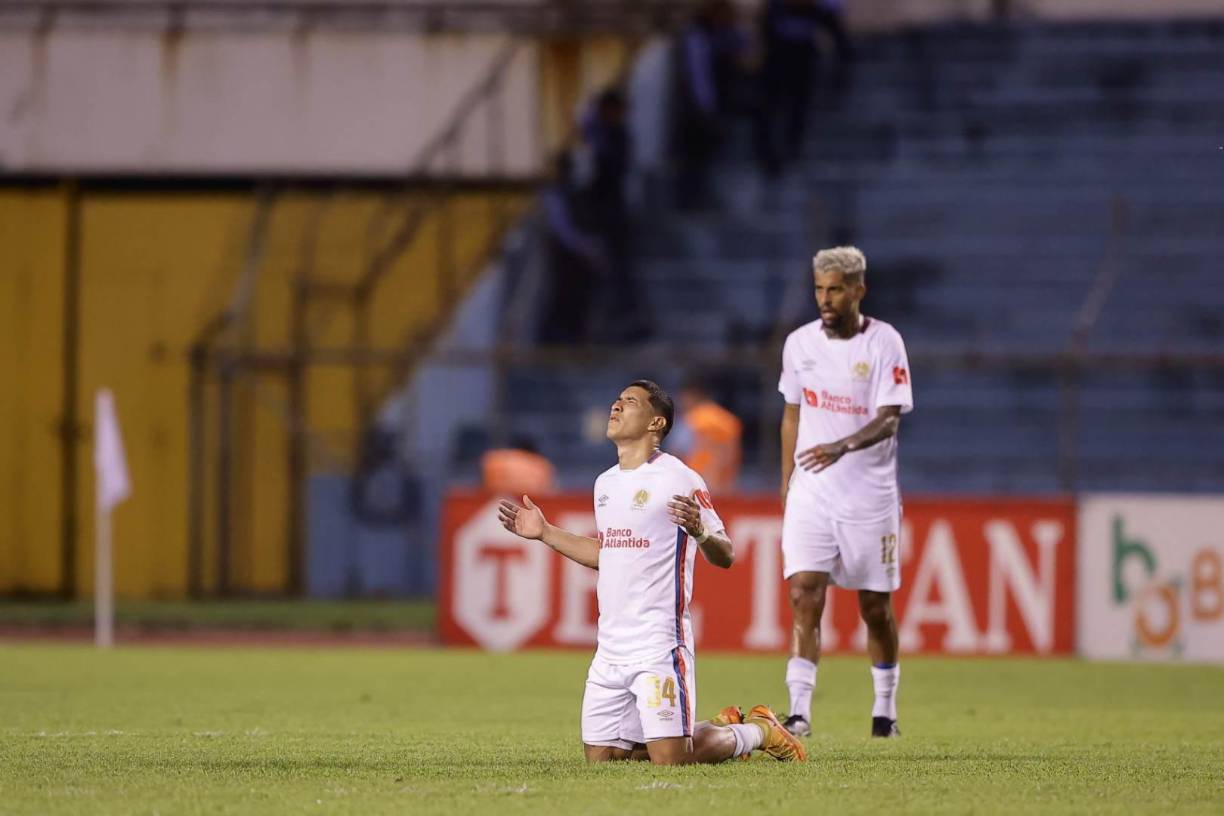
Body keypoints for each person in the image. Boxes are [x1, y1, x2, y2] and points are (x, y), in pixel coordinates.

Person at [498, 380, 805, 764]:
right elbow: (607, 555)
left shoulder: (679, 478)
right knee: (604, 759)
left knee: (673, 759)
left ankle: (756, 730)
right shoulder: (605, 484)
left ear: (656, 422)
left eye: (629, 401)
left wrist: (699, 530)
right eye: (616, 400)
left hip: (658, 643)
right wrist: (545, 532)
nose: (616, 406)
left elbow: (725, 553)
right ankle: (703, 728)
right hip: (610, 646)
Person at [776, 246, 914, 739]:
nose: (825, 298)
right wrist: (787, 482)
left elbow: (890, 416)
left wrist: (842, 445)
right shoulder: (798, 345)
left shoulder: (884, 343)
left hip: (869, 496)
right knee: (802, 593)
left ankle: (884, 711)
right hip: (813, 492)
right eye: (818, 288)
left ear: (858, 289)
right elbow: (792, 413)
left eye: (834, 289)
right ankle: (798, 711)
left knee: (874, 608)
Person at [672, 377, 743, 494]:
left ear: (691, 395)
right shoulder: (728, 421)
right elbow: (733, 453)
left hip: (696, 484)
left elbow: (677, 453)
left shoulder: (691, 421)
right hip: (724, 485)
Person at [481, 436, 556, 498]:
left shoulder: (495, 459)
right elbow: (548, 492)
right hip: (527, 502)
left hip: (498, 500)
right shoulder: (542, 465)